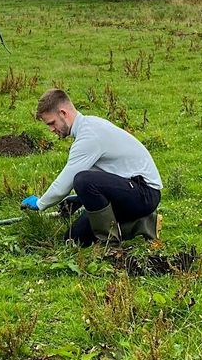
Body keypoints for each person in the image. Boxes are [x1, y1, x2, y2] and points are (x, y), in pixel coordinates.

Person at [22, 88, 162, 245]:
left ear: (63, 113)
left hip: (144, 193)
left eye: (52, 123)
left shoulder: (89, 136)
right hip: (129, 189)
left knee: (82, 179)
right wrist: (81, 199)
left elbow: (66, 184)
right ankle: (142, 223)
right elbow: (106, 173)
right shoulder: (87, 126)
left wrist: (41, 203)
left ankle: (109, 243)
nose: (51, 129)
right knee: (73, 238)